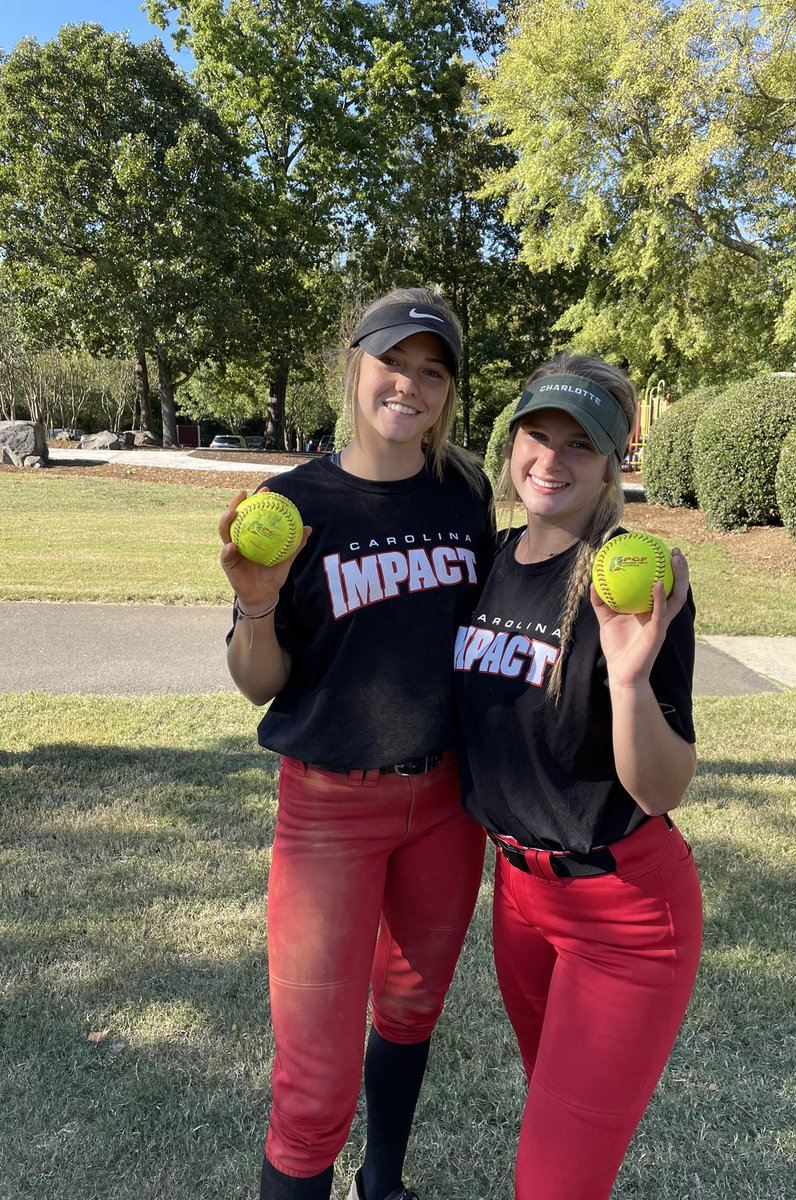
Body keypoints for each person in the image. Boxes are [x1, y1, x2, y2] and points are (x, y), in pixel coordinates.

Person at [218, 288, 493, 1200]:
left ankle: (384, 1185)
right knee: (311, 1090)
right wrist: (258, 599)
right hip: (331, 809)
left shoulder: (465, 492)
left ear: (448, 391)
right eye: (394, 363)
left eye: (432, 372)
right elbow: (260, 680)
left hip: (446, 806)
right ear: (355, 365)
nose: (410, 386)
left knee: (411, 1011)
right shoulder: (292, 505)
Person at [454, 353, 703, 1200]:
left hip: (624, 915)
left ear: (614, 462)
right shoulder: (487, 561)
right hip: (519, 901)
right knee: (558, 1146)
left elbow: (661, 791)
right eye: (537, 433)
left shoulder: (637, 579)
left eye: (580, 444)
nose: (551, 460)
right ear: (512, 437)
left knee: (551, 1183)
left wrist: (629, 681)